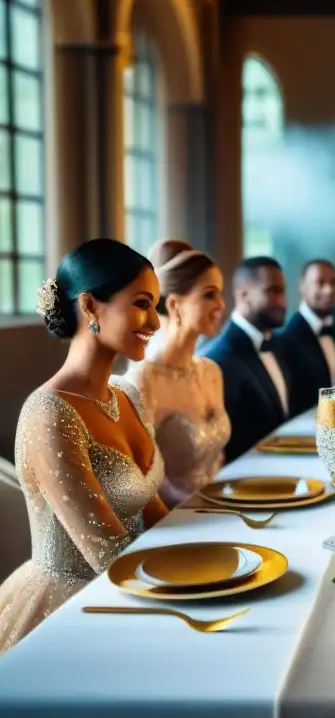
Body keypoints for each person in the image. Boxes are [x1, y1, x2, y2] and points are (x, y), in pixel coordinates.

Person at [0, 239, 167, 656]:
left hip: (142, 584)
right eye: (143, 303)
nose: (156, 322)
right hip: (76, 613)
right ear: (91, 307)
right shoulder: (49, 414)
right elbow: (111, 558)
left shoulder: (126, 395)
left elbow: (157, 515)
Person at [122, 240, 230, 506]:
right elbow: (143, 482)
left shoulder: (211, 372)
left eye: (220, 294)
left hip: (222, 508)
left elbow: (218, 458)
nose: (222, 305)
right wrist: (201, 509)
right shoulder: (144, 380)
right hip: (174, 522)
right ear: (174, 306)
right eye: (209, 295)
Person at [201, 257, 289, 462]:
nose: (283, 301)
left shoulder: (276, 343)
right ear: (243, 295)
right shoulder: (220, 358)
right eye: (272, 292)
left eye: (282, 291)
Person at [277, 258, 335, 416]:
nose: (329, 290)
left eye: (334, 283)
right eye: (320, 283)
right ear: (302, 287)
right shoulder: (286, 339)